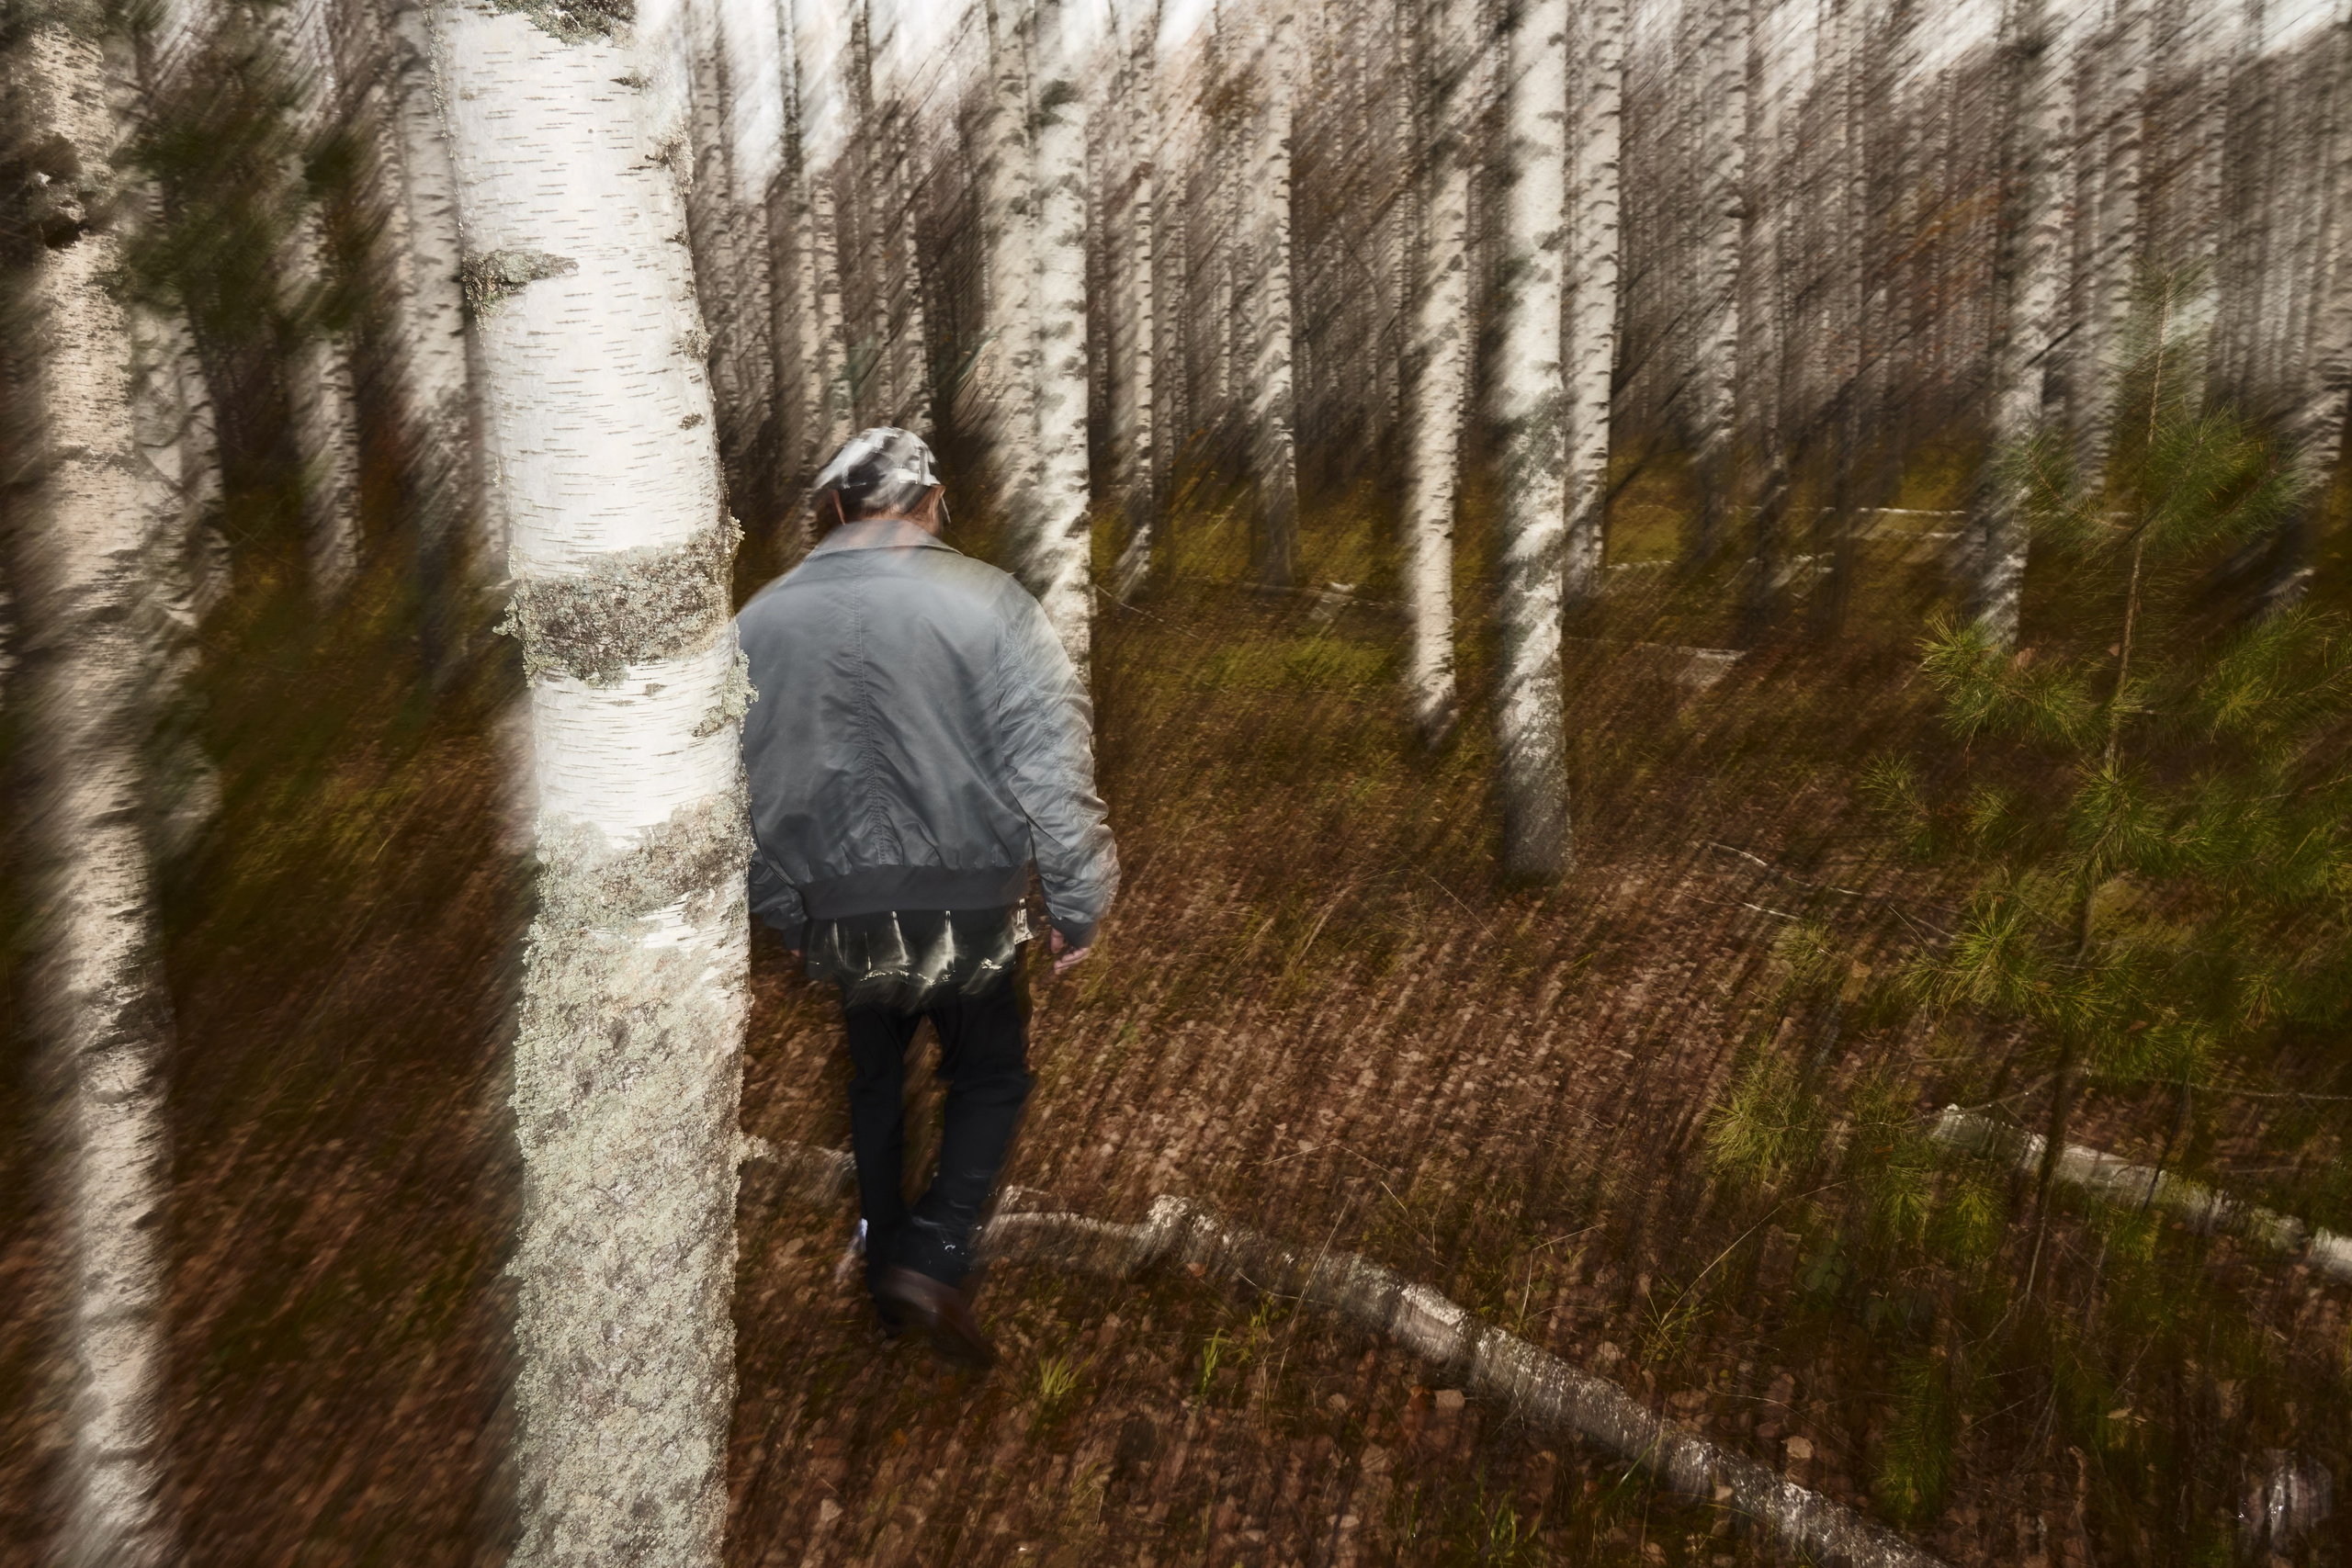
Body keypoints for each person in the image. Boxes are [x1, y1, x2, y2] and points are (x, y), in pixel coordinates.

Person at [737, 427, 1118, 1368]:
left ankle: (882, 1269)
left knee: (875, 1075)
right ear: (926, 502)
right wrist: (1077, 896)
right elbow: (1049, 760)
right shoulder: (988, 602)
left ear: (831, 507)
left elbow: (729, 787)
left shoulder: (760, 620)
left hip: (838, 903)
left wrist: (785, 910)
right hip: (970, 902)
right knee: (987, 1072)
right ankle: (937, 1249)